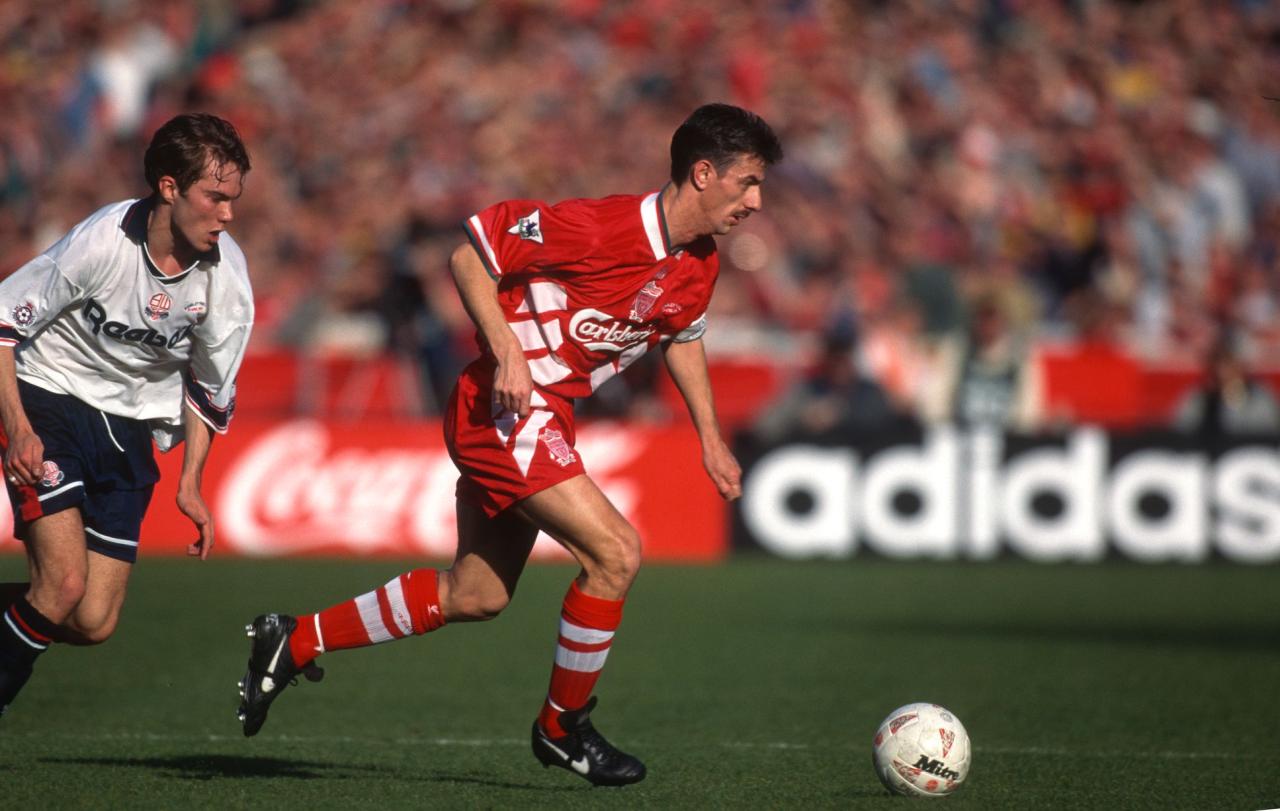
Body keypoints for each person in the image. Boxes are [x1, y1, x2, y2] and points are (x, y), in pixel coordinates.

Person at [236, 103, 783, 786]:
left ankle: (296, 637)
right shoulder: (600, 225)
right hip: (502, 406)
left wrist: (709, 437)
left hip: (546, 417)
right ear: (704, 174)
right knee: (615, 553)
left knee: (476, 593)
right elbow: (470, 256)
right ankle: (563, 727)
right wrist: (506, 350)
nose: (756, 201)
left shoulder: (698, 265)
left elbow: (684, 336)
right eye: (748, 183)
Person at [0, 114, 254, 719]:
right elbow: (4, 324)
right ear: (169, 187)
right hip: (47, 395)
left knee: (91, 621)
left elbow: (210, 389)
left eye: (234, 200)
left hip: (128, 425)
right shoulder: (102, 241)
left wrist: (191, 480)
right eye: (214, 197)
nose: (228, 214)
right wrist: (19, 430)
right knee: (61, 587)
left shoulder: (227, 279)